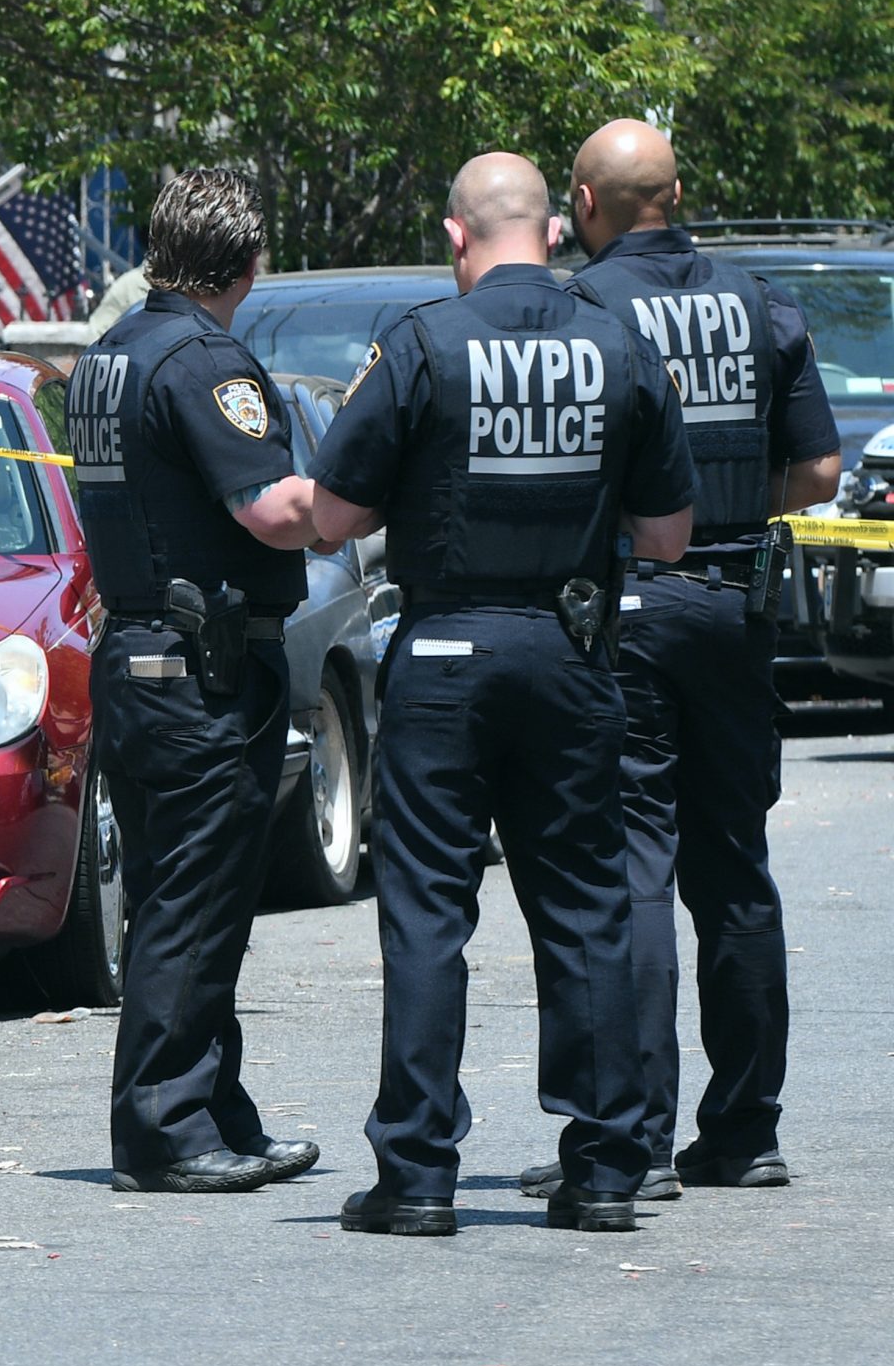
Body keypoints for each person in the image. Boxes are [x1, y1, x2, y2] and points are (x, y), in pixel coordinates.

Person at [311, 153, 699, 1237]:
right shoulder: (620, 343)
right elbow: (667, 537)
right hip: (570, 651)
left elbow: (332, 519)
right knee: (583, 907)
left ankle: (419, 1173)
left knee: (428, 911)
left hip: (440, 654)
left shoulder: (423, 341)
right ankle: (606, 1168)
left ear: (455, 235)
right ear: (556, 229)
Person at [504, 121, 840, 1203]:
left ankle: (635, 1136)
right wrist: (731, 509)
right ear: (678, 193)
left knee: (630, 865)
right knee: (733, 864)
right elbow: (821, 469)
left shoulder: (584, 309)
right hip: (736, 609)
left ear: (586, 207)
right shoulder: (760, 305)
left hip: (627, 611)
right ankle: (744, 1131)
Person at [64, 168, 326, 1194]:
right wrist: (359, 495)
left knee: (192, 894)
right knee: (190, 900)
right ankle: (166, 1129)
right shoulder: (203, 357)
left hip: (141, 654)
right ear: (248, 263)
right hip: (200, 671)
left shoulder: (107, 357)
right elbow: (267, 508)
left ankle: (216, 1108)